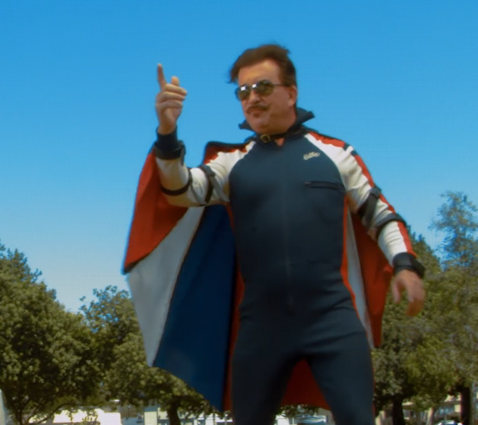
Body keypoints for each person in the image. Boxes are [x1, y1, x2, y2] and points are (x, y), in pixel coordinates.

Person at [148, 44, 426, 425]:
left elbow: (380, 215)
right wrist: (167, 132)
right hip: (260, 328)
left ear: (291, 93)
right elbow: (180, 190)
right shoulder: (231, 163)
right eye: (243, 92)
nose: (252, 98)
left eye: (262, 87)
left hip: (333, 321)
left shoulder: (336, 154)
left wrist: (405, 265)